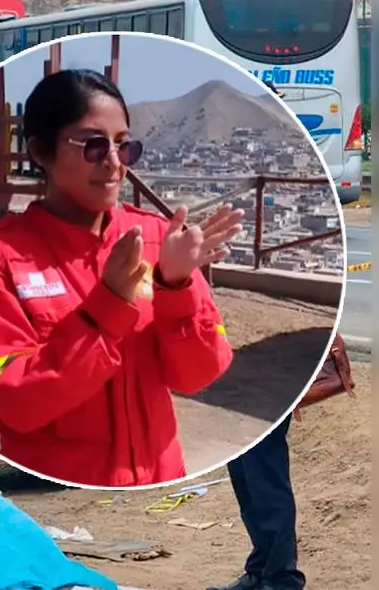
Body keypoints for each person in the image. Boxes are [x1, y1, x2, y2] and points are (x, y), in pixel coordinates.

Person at [0, 69, 242, 487]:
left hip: (159, 478)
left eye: (124, 146)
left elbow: (197, 375)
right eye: (93, 145)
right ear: (41, 150)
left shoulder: (158, 239)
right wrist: (107, 304)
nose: (114, 163)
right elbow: (16, 400)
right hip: (55, 491)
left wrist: (176, 287)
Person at [207, 80, 304, 590]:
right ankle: (261, 567)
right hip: (238, 352)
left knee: (263, 468)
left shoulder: (286, 185)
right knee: (244, 464)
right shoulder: (247, 182)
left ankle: (281, 576)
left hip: (273, 357)